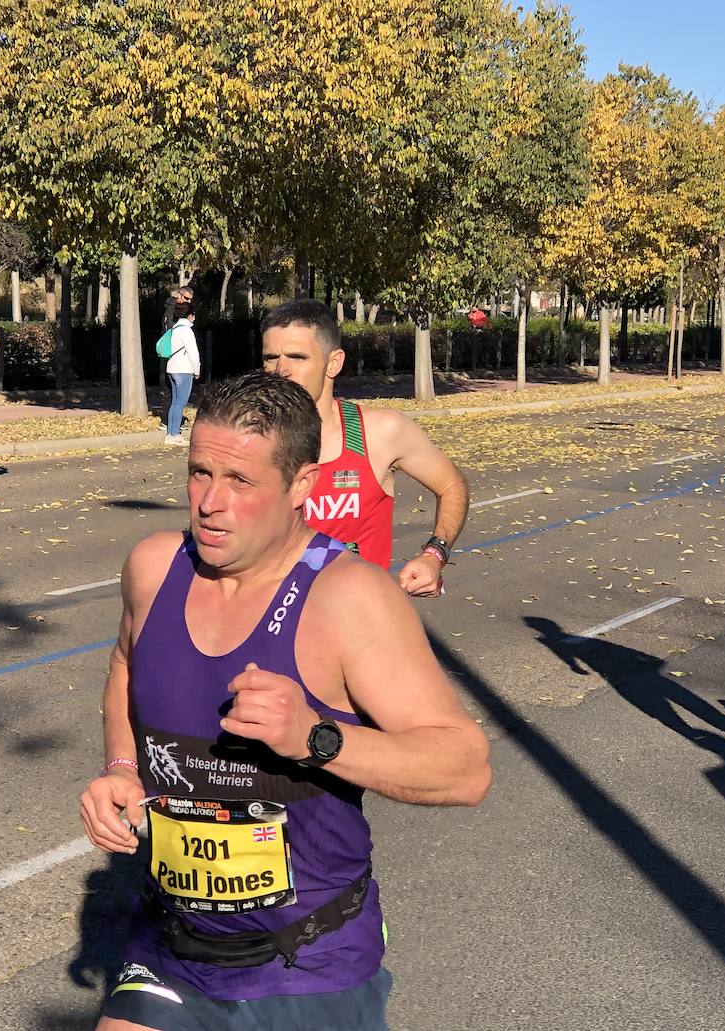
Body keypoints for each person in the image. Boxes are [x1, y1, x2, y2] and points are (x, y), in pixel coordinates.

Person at [80, 371, 490, 1030]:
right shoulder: (155, 568)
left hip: (309, 960)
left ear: (302, 485)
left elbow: (465, 768)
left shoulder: (348, 597)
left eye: (241, 481)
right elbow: (127, 664)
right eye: (199, 473)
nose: (210, 501)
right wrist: (122, 768)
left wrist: (316, 736)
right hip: (170, 950)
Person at [261, 299, 469, 596]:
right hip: (274, 625)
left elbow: (452, 485)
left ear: (334, 363)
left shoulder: (380, 432)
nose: (281, 370)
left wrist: (435, 555)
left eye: (297, 357)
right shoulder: (249, 437)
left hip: (357, 626)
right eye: (270, 357)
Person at [164, 300, 200, 446]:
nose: (195, 318)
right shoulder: (187, 331)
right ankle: (175, 434)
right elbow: (193, 353)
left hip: (172, 368)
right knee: (181, 402)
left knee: (175, 402)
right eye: (194, 315)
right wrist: (196, 370)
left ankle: (171, 433)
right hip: (184, 370)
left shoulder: (175, 329)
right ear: (190, 315)